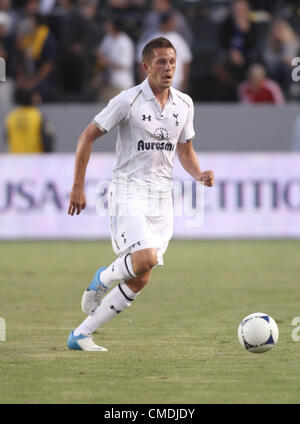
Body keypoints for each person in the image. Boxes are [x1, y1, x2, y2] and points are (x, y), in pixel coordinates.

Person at [66, 36, 214, 351]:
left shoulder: (184, 104)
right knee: (143, 258)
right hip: (128, 191)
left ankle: (81, 335)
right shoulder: (127, 101)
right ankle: (103, 278)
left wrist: (199, 173)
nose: (168, 68)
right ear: (146, 66)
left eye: (172, 62)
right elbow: (86, 137)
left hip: (163, 197)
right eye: (161, 62)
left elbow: (184, 149)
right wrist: (78, 186)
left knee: (141, 277)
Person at [137, 12, 192, 92]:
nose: (174, 24)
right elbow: (141, 62)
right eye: (172, 21)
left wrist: (184, 83)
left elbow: (186, 61)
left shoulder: (178, 39)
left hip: (175, 84)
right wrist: (143, 83)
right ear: (166, 22)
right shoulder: (151, 39)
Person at [95, 17, 135, 103]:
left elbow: (125, 65)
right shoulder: (107, 38)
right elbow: (101, 53)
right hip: (108, 82)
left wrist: (107, 63)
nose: (106, 27)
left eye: (109, 25)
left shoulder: (125, 42)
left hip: (121, 83)